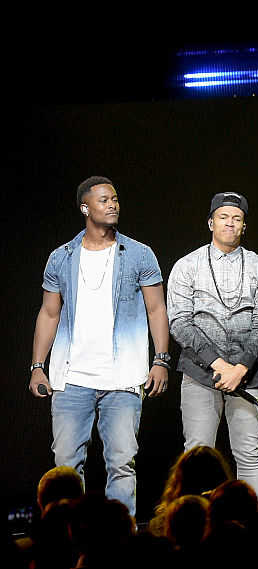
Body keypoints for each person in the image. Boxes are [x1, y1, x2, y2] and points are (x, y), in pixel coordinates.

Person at [28, 175, 170, 516]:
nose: (113, 205)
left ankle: (120, 543)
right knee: (65, 467)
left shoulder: (138, 254)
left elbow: (157, 309)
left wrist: (161, 359)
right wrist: (37, 367)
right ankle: (67, 538)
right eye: (104, 200)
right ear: (85, 208)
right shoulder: (61, 257)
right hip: (71, 378)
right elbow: (49, 314)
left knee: (122, 464)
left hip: (122, 378)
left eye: (115, 199)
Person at [167, 192, 258, 505]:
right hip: (199, 375)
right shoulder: (187, 266)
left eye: (237, 218)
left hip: (248, 375)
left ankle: (253, 527)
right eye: (223, 217)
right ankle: (194, 528)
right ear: (210, 222)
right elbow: (179, 323)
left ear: (244, 226)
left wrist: (240, 368)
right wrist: (219, 365)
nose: (230, 223)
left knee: (250, 453)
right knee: (197, 454)